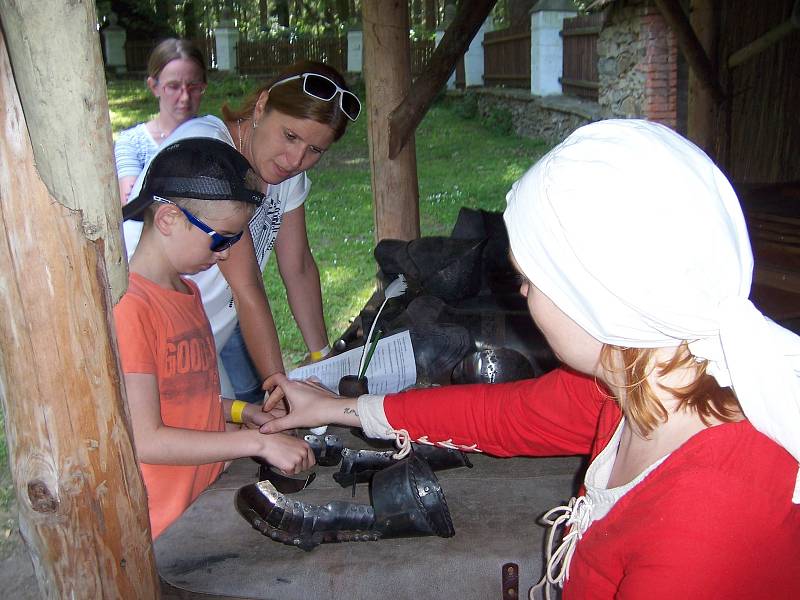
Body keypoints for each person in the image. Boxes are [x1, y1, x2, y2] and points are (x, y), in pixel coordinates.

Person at [258, 120, 800, 598]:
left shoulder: (706, 524)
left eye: (528, 278)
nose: (522, 295)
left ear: (593, 295)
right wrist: (334, 408)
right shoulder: (649, 381)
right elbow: (503, 414)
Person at [122, 61, 360, 404]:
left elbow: (298, 267)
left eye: (315, 150)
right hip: (149, 340)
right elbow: (247, 285)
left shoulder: (285, 173)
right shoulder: (212, 152)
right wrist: (282, 389)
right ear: (261, 107)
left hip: (199, 337)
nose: (295, 159)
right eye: (290, 136)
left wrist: (322, 357)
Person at [114, 138, 315, 540]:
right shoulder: (131, 308)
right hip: (159, 527)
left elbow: (184, 396)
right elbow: (146, 439)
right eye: (222, 238)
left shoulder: (186, 293)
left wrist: (246, 414)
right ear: (169, 219)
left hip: (199, 506)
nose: (226, 253)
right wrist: (255, 444)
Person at [114, 38, 207, 203]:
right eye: (173, 86)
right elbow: (133, 205)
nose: (185, 97)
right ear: (154, 87)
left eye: (194, 86)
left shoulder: (213, 137)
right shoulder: (132, 144)